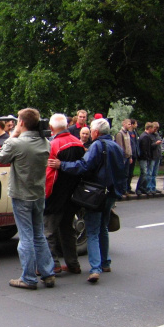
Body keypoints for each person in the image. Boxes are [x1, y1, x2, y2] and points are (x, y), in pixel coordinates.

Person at [47, 118, 126, 283]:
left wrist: (61, 165)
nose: (89, 132)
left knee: (92, 231)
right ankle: (105, 263)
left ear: (96, 132)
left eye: (91, 129)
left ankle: (95, 268)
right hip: (111, 192)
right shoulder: (116, 146)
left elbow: (83, 166)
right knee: (102, 228)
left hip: (95, 193)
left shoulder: (96, 146)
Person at [0, 108, 55, 290]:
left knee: (26, 236)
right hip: (38, 193)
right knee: (39, 234)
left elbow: (1, 156)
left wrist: (13, 135)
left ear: (21, 123)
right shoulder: (45, 143)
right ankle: (47, 273)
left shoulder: (17, 143)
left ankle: (28, 277)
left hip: (21, 194)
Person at [44, 114, 85, 275]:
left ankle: (53, 264)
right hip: (74, 194)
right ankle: (73, 263)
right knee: (68, 230)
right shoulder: (78, 143)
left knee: (49, 232)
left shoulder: (53, 145)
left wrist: (45, 195)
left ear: (52, 128)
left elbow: (50, 176)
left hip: (56, 195)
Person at [135, 122, 155, 196]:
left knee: (145, 173)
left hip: (144, 157)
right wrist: (147, 156)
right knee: (144, 173)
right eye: (152, 128)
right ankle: (139, 188)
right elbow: (145, 149)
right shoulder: (145, 137)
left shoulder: (145, 136)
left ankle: (143, 188)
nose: (153, 130)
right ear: (149, 128)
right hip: (143, 158)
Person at [115, 119, 133, 196]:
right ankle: (120, 190)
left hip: (128, 157)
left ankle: (124, 190)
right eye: (129, 124)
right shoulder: (120, 134)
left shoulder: (128, 133)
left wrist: (130, 156)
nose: (130, 125)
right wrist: (122, 158)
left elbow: (129, 145)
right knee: (121, 174)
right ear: (124, 124)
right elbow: (120, 147)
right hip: (123, 157)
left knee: (126, 174)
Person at [149, 121, 163, 194]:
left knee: (155, 173)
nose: (156, 130)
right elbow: (149, 146)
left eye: (157, 128)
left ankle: (153, 187)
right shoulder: (149, 135)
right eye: (155, 128)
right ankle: (150, 187)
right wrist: (155, 144)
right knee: (150, 172)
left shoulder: (157, 134)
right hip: (152, 156)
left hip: (158, 155)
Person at [127, 119, 140, 194]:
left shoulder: (135, 133)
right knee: (128, 172)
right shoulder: (128, 133)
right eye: (136, 124)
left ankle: (129, 186)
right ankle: (126, 187)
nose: (137, 125)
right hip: (130, 155)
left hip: (134, 154)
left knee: (131, 172)